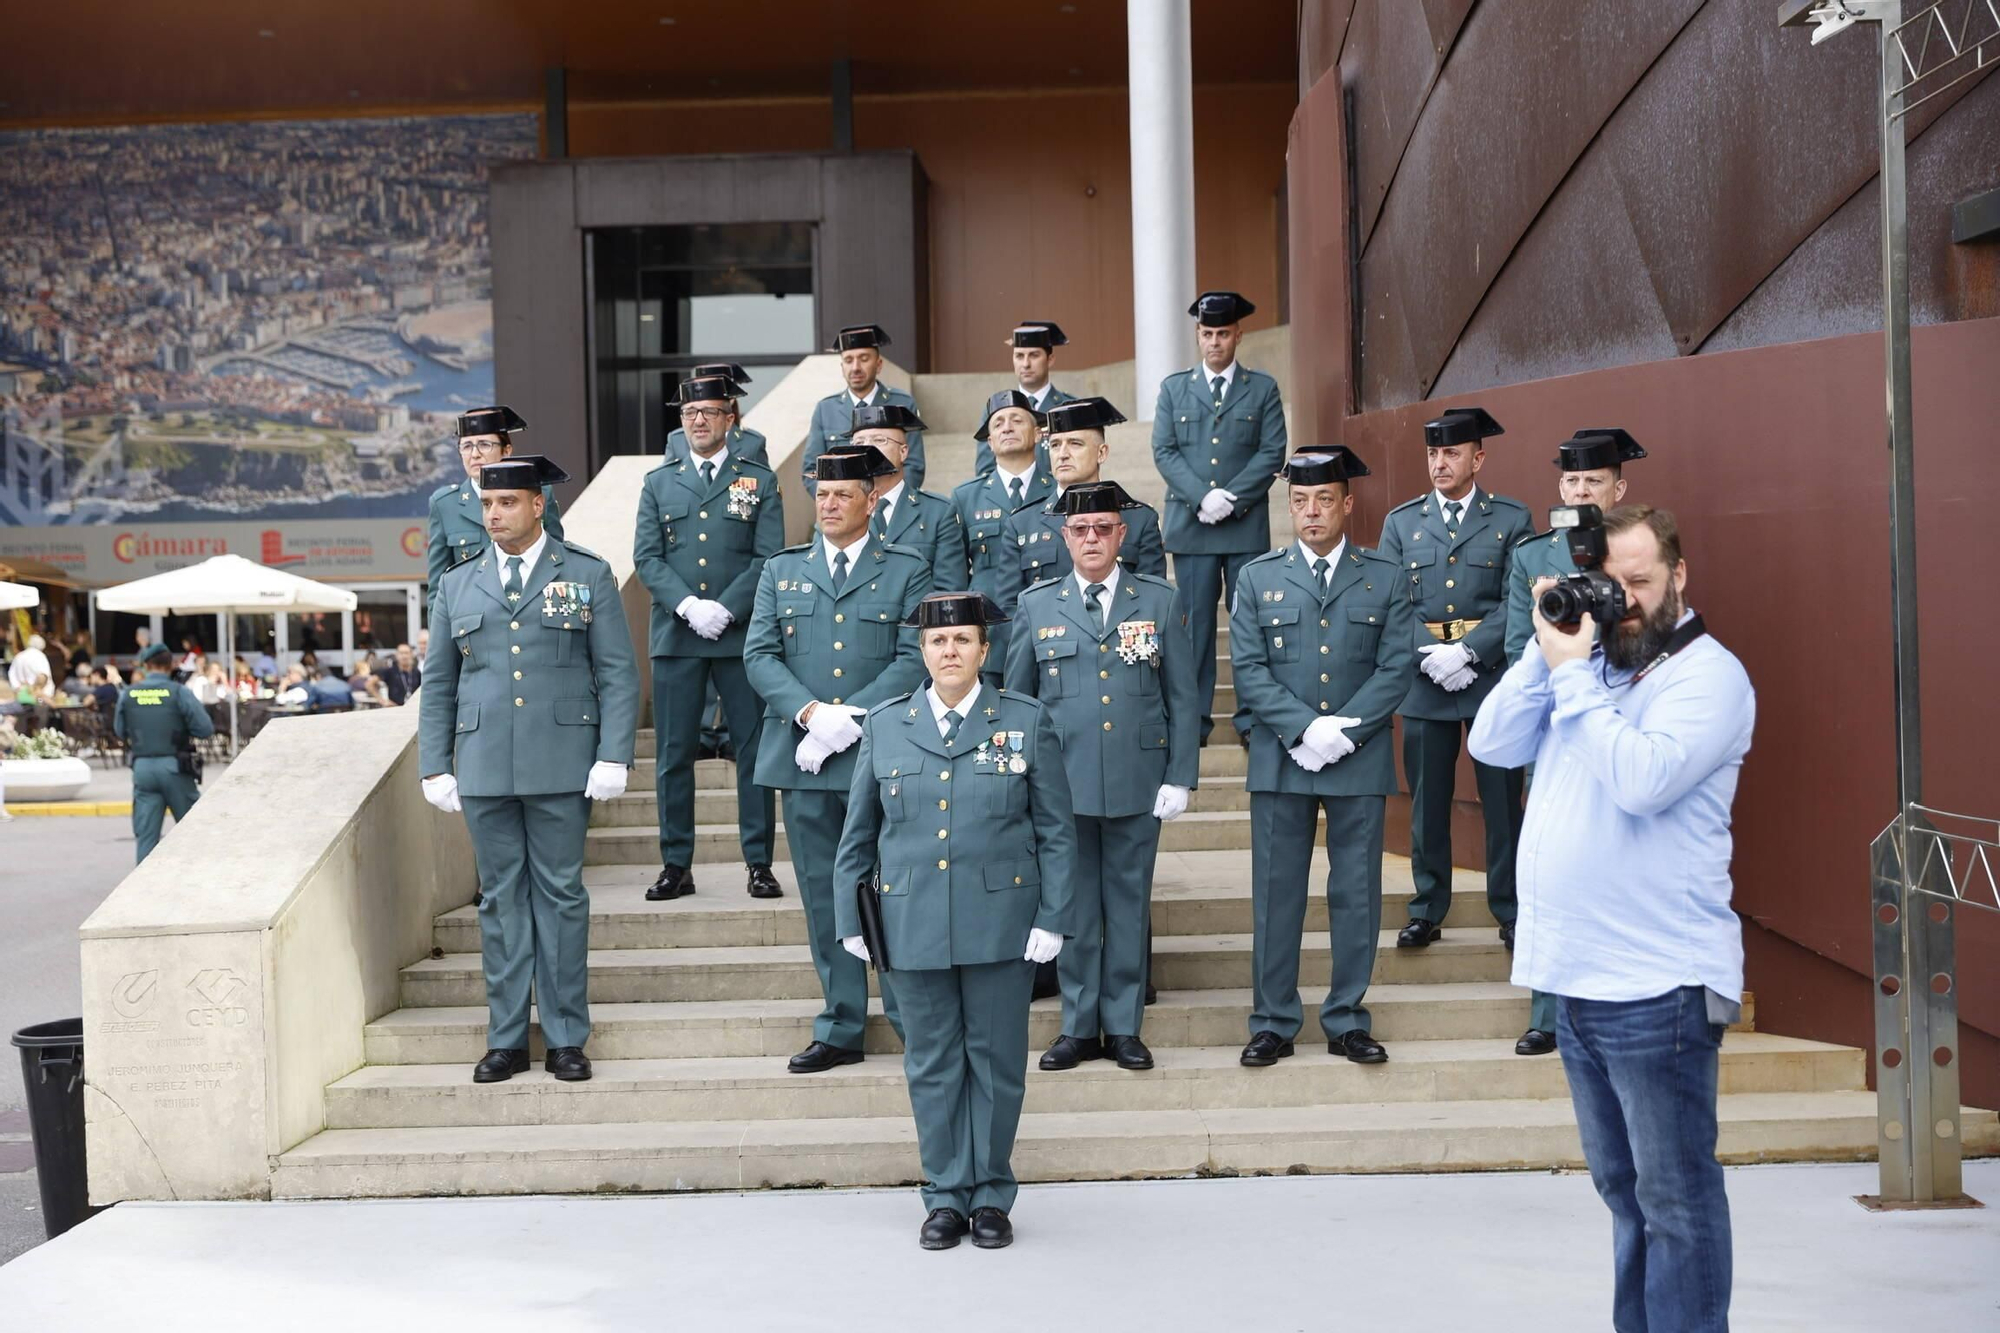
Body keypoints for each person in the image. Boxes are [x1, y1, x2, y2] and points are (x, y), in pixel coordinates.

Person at [1469, 504, 1752, 1333]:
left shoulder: (1708, 677)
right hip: (1579, 982)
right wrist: (1546, 644)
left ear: (1679, 576)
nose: (1624, 601)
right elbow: (1490, 742)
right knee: (1627, 1198)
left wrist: (1571, 677)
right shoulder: (1593, 665)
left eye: (1640, 582)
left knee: (1676, 1200)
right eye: (1609, 585)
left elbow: (1640, 781)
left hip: (1659, 983)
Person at [831, 591, 1074, 1250]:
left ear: (984, 649)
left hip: (1001, 920)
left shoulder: (1023, 720)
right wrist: (849, 914)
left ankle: (991, 1193)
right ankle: (944, 1193)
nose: (950, 651)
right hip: (910, 922)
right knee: (932, 1062)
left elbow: (1055, 828)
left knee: (996, 1062)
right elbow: (859, 833)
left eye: (963, 640)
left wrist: (1054, 915)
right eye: (939, 642)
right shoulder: (885, 724)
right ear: (921, 650)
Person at [418, 454, 640, 1086]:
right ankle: (507, 1038)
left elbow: (618, 673)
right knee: (499, 902)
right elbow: (440, 681)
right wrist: (435, 762)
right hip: (485, 765)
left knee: (561, 897)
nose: (494, 515)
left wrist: (613, 753)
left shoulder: (586, 573)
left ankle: (567, 1036)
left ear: (538, 505)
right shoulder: (458, 584)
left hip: (564, 763)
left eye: (507, 503)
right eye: (487, 505)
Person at [743, 447, 932, 1073]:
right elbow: (760, 655)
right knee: (825, 895)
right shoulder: (782, 570)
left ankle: (911, 1021)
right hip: (803, 758)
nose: (828, 505)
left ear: (870, 501)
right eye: (821, 495)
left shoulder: (905, 569)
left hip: (881, 756)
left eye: (842, 495)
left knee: (893, 889)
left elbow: (914, 657)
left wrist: (849, 719)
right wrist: (809, 716)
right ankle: (842, 1022)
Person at [1229, 448, 1414, 1066]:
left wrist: (1347, 732)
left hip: (1357, 759)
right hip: (1283, 758)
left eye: (1325, 500)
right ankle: (1274, 1020)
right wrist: (1305, 729)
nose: (1312, 512)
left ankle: (1346, 1018)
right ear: (1289, 506)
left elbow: (1396, 667)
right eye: (1301, 501)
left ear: (1347, 504)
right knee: (1276, 892)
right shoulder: (1258, 576)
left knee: (1356, 892)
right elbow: (1249, 672)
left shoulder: (1385, 575)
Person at [1003, 484, 1197, 1072]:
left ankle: (1124, 1026)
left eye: (1103, 528)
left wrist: (1180, 774)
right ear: (1064, 538)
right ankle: (1078, 1026)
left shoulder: (1158, 601)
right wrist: (1017, 779)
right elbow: (1017, 700)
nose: (1092, 538)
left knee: (1129, 905)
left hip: (1139, 780)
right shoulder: (1038, 605)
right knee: (1074, 907)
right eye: (1081, 529)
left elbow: (1183, 697)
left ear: (1123, 534)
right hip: (1063, 785)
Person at [1502, 427, 1648, 1056]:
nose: (1581, 491)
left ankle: (1619, 1000)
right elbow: (1517, 647)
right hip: (1558, 735)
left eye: (1593, 481)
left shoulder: (1642, 550)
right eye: (1571, 482)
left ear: (1620, 486)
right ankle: (1548, 1012)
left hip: (1626, 727)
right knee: (1550, 873)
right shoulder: (1533, 557)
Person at [1375, 407, 1531, 957]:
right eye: (1433, 454)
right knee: (1427, 801)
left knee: (1502, 801)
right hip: (1425, 681)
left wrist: (1468, 650)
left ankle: (1510, 910)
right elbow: (1390, 602)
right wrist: (1431, 654)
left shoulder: (1511, 519)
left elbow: (1519, 599)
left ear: (1477, 458)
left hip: (1488, 679)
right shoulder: (1402, 522)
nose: (1440, 464)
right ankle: (1427, 908)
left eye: (1452, 454)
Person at [634, 373, 787, 902]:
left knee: (751, 752)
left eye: (709, 411)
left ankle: (759, 863)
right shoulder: (659, 482)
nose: (697, 420)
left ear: (730, 418)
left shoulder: (759, 480)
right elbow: (647, 558)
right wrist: (688, 605)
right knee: (674, 756)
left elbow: (768, 556)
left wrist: (725, 606)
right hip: (677, 637)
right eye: (689, 413)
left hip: (739, 635)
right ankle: (676, 864)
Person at [1149, 291, 1287, 746]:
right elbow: (1164, 450)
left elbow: (1272, 452)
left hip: (1244, 526)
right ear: (1197, 335)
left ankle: (1249, 719)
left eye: (1222, 333)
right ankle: (1195, 723)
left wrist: (1233, 499)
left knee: (1250, 625)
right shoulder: (1174, 388)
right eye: (1207, 334)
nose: (1214, 342)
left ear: (1238, 335)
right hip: (1192, 528)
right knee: (1194, 630)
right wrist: (1201, 498)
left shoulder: (1263, 388)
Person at [997, 398, 1165, 614]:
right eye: (1055, 445)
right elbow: (1010, 610)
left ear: (1102, 453)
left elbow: (1153, 602)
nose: (1063, 454)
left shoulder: (1139, 520)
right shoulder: (1022, 524)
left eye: (1075, 443)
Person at [950, 391, 1055, 687]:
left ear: (1037, 434)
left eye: (1017, 420)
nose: (1007, 427)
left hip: (1050, 628)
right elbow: (956, 579)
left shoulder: (1058, 491)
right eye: (998, 424)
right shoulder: (965, 497)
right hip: (990, 636)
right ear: (990, 442)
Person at [426, 406, 564, 608]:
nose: (475, 454)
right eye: (466, 446)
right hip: (473, 621)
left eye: (484, 445)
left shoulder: (538, 493)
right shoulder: (444, 503)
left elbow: (557, 560)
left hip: (531, 610)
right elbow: (438, 589)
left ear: (506, 450)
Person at [114, 641, 216, 862]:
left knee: (146, 839)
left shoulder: (128, 694)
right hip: (175, 768)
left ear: (146, 666)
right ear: (171, 665)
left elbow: (119, 731)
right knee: (193, 831)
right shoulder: (178, 692)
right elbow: (205, 729)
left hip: (143, 769)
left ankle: (145, 890)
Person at [801, 325, 927, 492]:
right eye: (848, 360)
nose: (855, 367)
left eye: (864, 358)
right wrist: (838, 501)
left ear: (879, 364)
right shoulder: (826, 409)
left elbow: (914, 465)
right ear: (842, 367)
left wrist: (888, 502)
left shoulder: (901, 404)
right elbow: (812, 469)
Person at [849, 406, 967, 575]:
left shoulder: (937, 512)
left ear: (903, 452)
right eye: (859, 443)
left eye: (879, 440)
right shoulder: (837, 510)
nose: (867, 449)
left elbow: (948, 592)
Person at [972, 322, 1074, 475]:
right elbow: (986, 471)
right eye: (1019, 356)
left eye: (1034, 355)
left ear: (1050, 359)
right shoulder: (995, 409)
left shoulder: (1068, 407)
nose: (1026, 364)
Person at [664, 362, 769, 464]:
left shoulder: (753, 443)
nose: (699, 420)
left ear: (731, 398)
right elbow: (667, 478)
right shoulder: (676, 440)